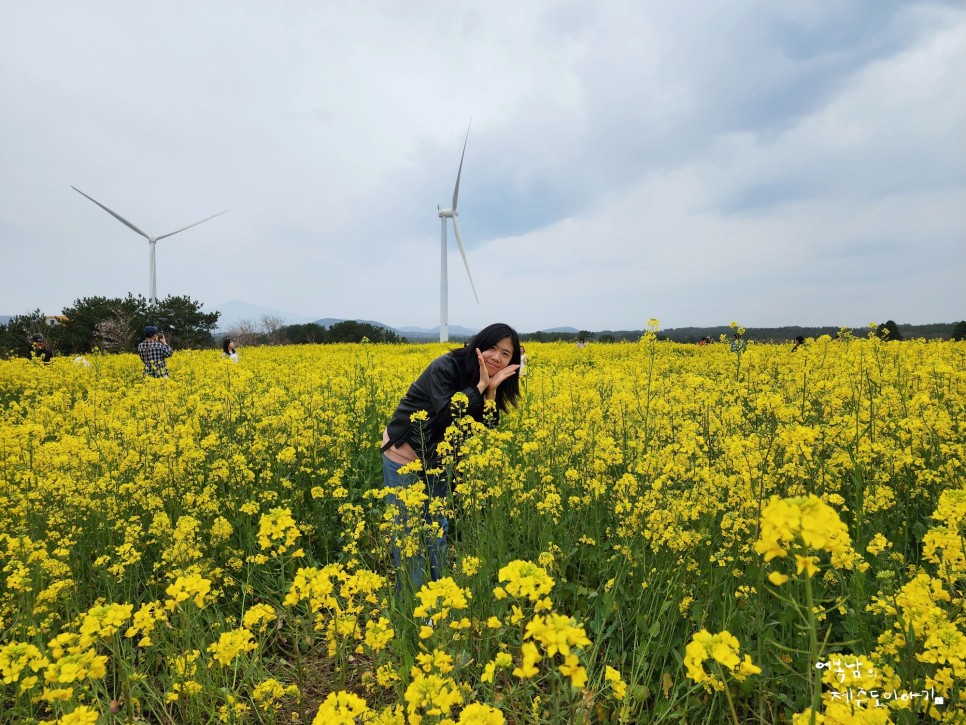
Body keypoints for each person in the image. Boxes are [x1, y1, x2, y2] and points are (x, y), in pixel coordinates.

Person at [381, 322, 522, 593]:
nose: (497, 357)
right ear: (477, 344)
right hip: (403, 454)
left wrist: (491, 390)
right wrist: (480, 385)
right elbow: (447, 414)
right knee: (407, 533)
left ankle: (440, 596)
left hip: (439, 461)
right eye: (492, 348)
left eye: (505, 354)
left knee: (437, 528)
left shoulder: (492, 379)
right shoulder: (445, 367)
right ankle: (413, 604)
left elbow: (487, 426)